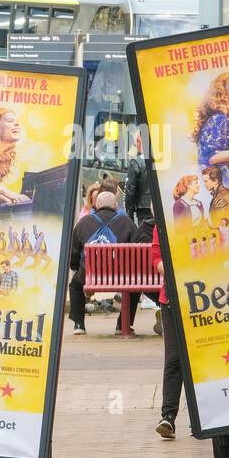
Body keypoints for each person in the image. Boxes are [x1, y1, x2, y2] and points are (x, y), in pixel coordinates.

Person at [68, 186, 134, 334]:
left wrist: (78, 270)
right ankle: (121, 325)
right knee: (134, 288)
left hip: (89, 274)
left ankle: (79, 324)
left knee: (74, 285)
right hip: (121, 276)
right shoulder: (126, 221)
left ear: (96, 205)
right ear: (116, 206)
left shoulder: (83, 223)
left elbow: (73, 254)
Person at [152, 225, 183, 438]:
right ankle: (168, 417)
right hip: (171, 298)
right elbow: (157, 257)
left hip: (202, 298)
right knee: (173, 358)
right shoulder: (162, 221)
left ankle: (204, 418)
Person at [123, 130, 153, 228]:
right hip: (160, 208)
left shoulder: (137, 162)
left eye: (137, 142)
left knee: (146, 237)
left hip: (144, 210)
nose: (135, 145)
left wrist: (129, 215)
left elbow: (129, 191)